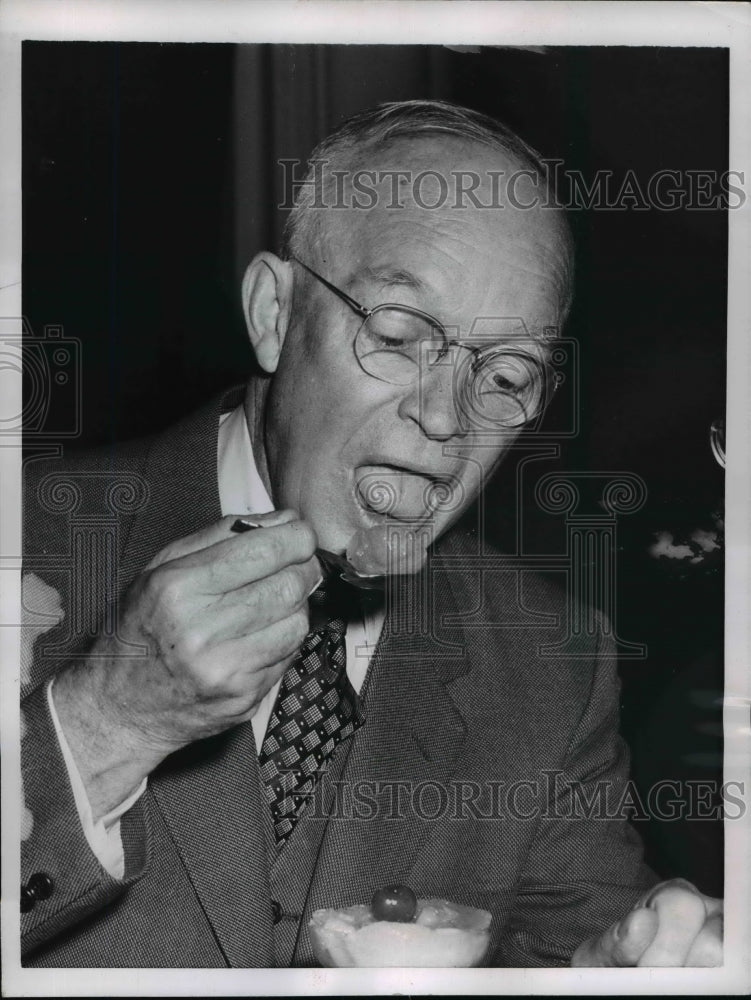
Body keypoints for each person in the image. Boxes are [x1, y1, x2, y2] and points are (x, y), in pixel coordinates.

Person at [20, 99, 723, 968]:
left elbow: (562, 951)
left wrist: (609, 973)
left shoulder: (552, 660)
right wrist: (104, 726)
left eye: (505, 373)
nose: (442, 417)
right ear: (274, 313)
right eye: (396, 335)